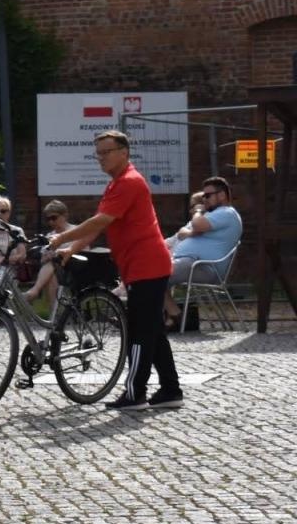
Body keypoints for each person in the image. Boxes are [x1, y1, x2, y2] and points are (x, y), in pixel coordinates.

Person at [49, 130, 183, 411]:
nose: (101, 158)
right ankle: (171, 390)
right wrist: (72, 249)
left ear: (124, 152)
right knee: (153, 329)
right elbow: (101, 225)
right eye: (98, 153)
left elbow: (100, 221)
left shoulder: (129, 182)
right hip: (141, 265)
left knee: (139, 332)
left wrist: (62, 239)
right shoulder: (116, 185)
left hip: (146, 265)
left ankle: (135, 394)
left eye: (106, 152)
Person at [163, 176, 242, 328]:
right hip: (192, 263)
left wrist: (198, 211)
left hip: (204, 267)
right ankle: (172, 317)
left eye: (207, 195)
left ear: (222, 195)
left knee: (154, 274)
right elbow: (183, 233)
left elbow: (197, 225)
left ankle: (174, 315)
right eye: (203, 196)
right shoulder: (214, 214)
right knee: (153, 274)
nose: (204, 199)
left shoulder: (227, 213)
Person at [24, 200, 81, 308]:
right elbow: (42, 260)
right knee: (51, 275)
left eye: (54, 218)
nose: (51, 222)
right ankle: (54, 315)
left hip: (74, 269)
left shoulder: (75, 230)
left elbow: (84, 250)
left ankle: (35, 290)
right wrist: (47, 256)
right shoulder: (50, 236)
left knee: (52, 264)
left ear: (65, 215)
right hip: (56, 272)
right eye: (48, 219)